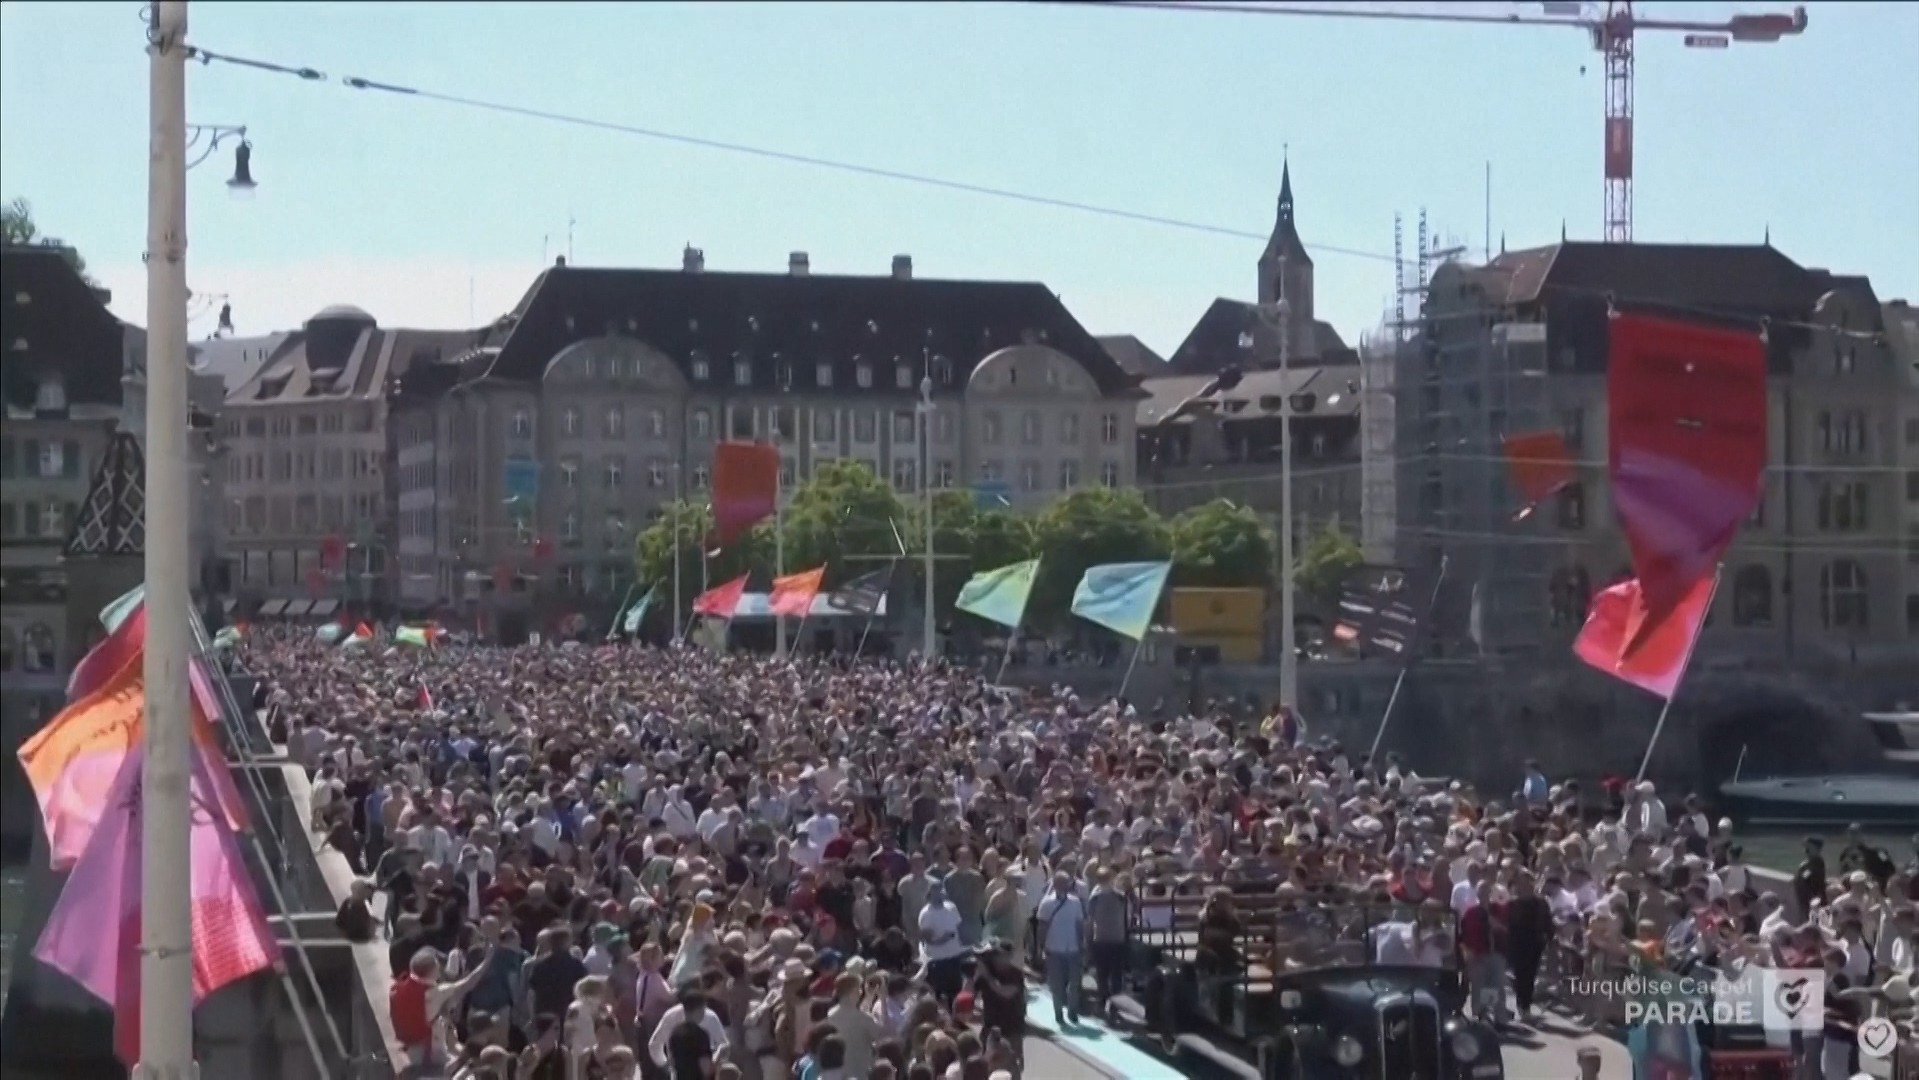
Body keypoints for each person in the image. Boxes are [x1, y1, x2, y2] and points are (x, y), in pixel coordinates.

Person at [1035, 872, 1086, 1028]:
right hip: (1054, 948)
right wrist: (1040, 948)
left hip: (1072, 948)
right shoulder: (1046, 904)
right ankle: (1058, 1013)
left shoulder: (1075, 902)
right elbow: (1042, 927)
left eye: (1066, 883)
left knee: (1074, 983)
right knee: (1057, 984)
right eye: (1060, 883)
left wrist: (1082, 944)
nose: (1063, 886)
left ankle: (1073, 1011)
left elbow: (1079, 925)